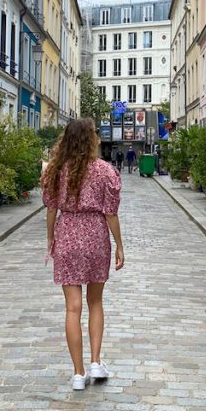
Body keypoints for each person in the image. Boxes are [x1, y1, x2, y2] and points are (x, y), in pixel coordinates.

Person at [42, 119, 124, 390]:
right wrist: (119, 245)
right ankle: (96, 362)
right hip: (95, 236)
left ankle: (78, 374)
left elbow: (51, 210)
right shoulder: (104, 171)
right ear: (91, 140)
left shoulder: (55, 171)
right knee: (95, 303)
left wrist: (51, 239)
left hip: (67, 234)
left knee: (72, 308)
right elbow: (111, 212)